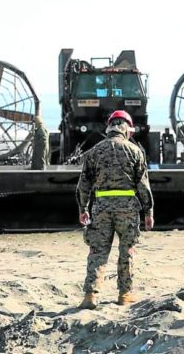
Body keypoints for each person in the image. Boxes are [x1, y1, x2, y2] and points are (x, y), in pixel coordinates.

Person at [76, 110, 154, 309]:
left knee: (97, 251)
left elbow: (83, 185)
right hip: (127, 209)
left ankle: (90, 296)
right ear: (126, 128)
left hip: (101, 208)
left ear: (109, 127)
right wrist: (148, 212)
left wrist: (82, 208)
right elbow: (143, 185)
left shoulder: (93, 152)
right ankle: (124, 294)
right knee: (126, 250)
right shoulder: (135, 151)